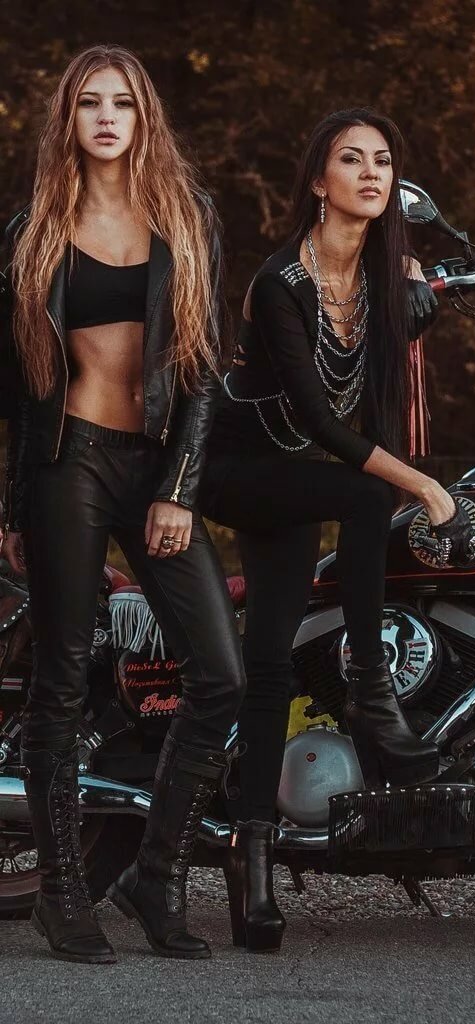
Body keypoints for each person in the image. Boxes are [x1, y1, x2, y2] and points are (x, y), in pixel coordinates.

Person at [200, 108, 475, 953]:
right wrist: (426, 487)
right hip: (242, 471)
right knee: (366, 500)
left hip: (297, 483)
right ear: (318, 182)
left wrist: (428, 296)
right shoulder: (280, 282)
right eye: (349, 160)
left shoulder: (383, 283)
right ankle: (369, 687)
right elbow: (326, 423)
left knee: (272, 663)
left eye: (383, 161)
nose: (369, 172)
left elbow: (382, 362)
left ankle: (251, 865)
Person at [0, 45, 245, 964]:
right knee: (62, 678)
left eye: (124, 104)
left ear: (145, 121)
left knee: (218, 673)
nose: (107, 117)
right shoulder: (30, 230)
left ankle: (156, 875)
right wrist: (13, 505)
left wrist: (181, 488)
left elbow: (205, 371)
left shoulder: (187, 217)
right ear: (68, 120)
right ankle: (64, 894)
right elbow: (12, 389)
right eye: (90, 104)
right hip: (67, 460)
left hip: (155, 463)